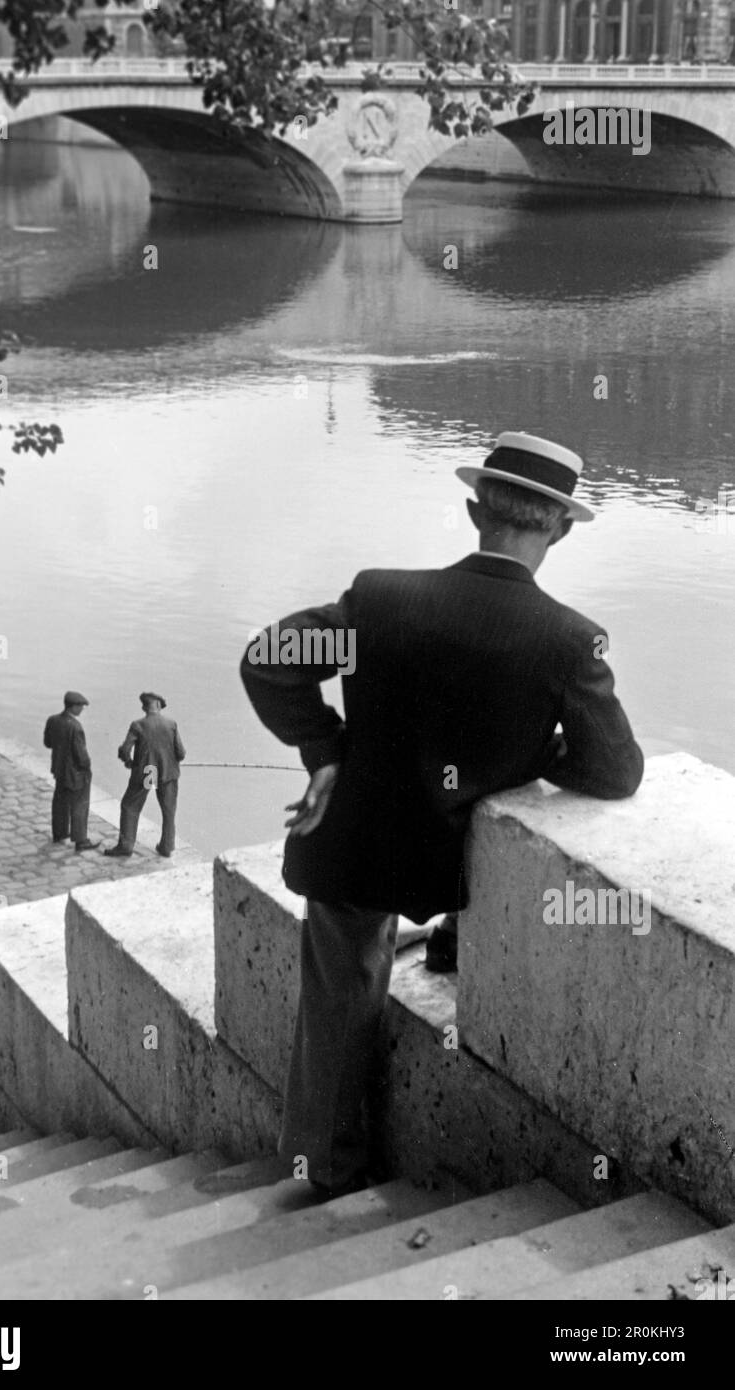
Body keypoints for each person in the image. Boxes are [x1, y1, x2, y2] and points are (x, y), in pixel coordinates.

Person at [240, 431, 644, 1199]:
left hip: (358, 842)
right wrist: (533, 753)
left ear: (472, 511)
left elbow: (267, 658)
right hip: (453, 861)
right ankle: (443, 942)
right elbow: (616, 772)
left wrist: (324, 748)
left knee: (337, 994)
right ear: (559, 530)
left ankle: (322, 1167)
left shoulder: (380, 598)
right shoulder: (566, 639)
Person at [104, 692, 186, 859]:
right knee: (168, 810)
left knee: (130, 806)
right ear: (158, 706)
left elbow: (125, 750)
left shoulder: (138, 725)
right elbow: (181, 753)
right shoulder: (171, 724)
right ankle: (167, 846)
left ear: (144, 707)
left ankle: (126, 845)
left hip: (148, 772)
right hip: (167, 773)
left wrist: (129, 762)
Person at [43, 691, 101, 852]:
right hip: (76, 774)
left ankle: (59, 833)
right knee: (79, 806)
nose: (82, 710)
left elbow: (47, 743)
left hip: (59, 770)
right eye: (81, 706)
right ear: (73, 707)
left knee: (60, 802)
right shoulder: (75, 727)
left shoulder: (53, 720)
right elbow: (81, 756)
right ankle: (81, 839)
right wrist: (87, 768)